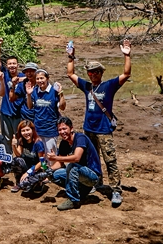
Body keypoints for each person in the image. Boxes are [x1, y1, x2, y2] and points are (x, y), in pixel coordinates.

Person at [66, 39, 131, 207]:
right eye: (90, 72)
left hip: (103, 130)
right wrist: (71, 57)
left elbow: (126, 74)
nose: (92, 75)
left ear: (101, 73)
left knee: (110, 160)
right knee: (91, 159)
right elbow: (71, 74)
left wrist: (127, 55)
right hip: (88, 130)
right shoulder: (87, 86)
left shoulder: (109, 86)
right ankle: (96, 183)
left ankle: (115, 190)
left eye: (95, 72)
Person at [48, 117, 103, 211]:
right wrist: (48, 171)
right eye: (60, 130)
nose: (62, 132)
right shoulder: (64, 143)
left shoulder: (80, 138)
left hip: (92, 176)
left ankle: (73, 200)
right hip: (79, 174)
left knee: (72, 166)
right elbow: (60, 163)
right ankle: (81, 191)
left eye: (64, 129)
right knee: (54, 175)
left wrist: (55, 158)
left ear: (71, 128)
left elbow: (76, 158)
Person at [0, 38, 25, 153]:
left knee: (20, 138)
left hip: (18, 114)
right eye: (10, 64)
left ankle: (20, 158)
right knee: (6, 138)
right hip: (5, 113)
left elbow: (34, 76)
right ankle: (8, 158)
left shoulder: (22, 77)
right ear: (6, 66)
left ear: (18, 65)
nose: (12, 66)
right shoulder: (5, 74)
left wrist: (22, 79)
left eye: (14, 64)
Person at [25, 69, 65, 158]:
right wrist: (29, 95)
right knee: (41, 156)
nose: (40, 81)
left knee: (51, 156)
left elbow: (62, 107)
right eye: (37, 79)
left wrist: (61, 94)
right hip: (38, 129)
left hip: (51, 129)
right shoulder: (34, 91)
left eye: (42, 78)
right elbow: (30, 107)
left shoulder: (54, 91)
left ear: (47, 78)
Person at [10, 120, 45, 193]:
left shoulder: (38, 143)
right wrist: (13, 146)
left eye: (28, 130)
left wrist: (28, 172)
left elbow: (42, 162)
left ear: (32, 130)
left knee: (27, 186)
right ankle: (19, 183)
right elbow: (18, 155)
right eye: (23, 131)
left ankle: (39, 184)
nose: (26, 133)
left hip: (36, 169)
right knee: (15, 160)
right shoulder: (21, 140)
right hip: (26, 166)